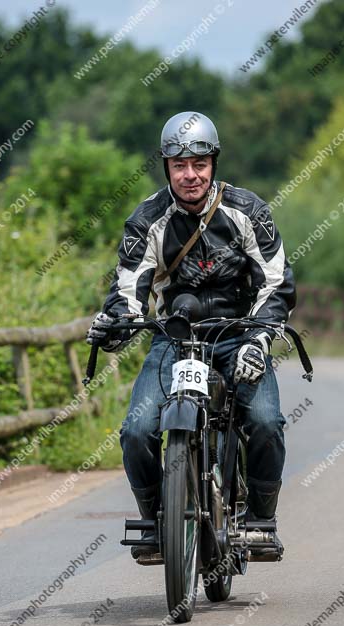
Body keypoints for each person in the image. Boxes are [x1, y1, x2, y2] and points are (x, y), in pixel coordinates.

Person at [87, 111, 296, 559]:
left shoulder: (248, 211)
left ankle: (260, 521)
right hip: (173, 339)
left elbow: (277, 282)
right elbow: (128, 289)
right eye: (179, 165)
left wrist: (259, 341)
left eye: (199, 164)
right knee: (137, 430)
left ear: (214, 163)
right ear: (165, 166)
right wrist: (114, 325)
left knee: (265, 423)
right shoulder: (146, 220)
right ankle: (155, 519)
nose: (190, 175)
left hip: (241, 336)